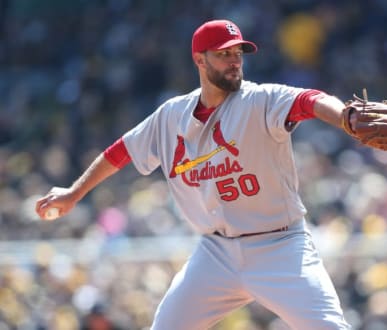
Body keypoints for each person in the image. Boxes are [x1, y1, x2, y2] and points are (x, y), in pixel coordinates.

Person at [36, 19, 357, 329]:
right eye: (224, 54)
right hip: (216, 253)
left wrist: (345, 116)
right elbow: (120, 152)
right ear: (199, 59)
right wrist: (74, 193)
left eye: (238, 54)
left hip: (281, 245)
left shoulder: (260, 100)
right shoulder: (171, 116)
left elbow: (310, 100)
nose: (234, 61)